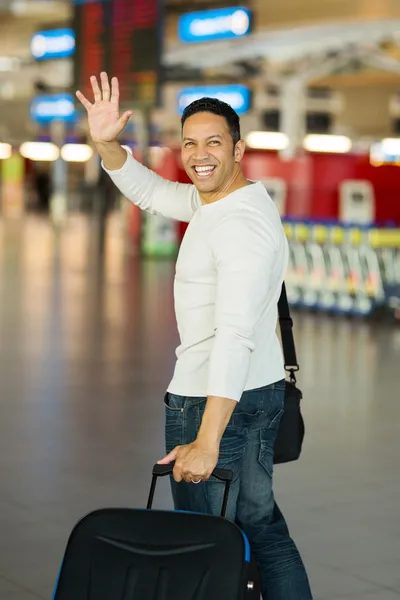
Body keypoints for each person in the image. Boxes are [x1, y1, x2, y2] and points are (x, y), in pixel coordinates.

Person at [76, 72, 313, 600]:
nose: (199, 154)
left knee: (205, 540)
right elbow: (155, 193)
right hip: (251, 392)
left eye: (213, 143)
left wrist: (206, 440)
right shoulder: (224, 202)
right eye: (189, 143)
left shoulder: (240, 226)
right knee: (260, 528)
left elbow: (233, 337)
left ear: (238, 148)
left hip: (219, 403)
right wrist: (106, 143)